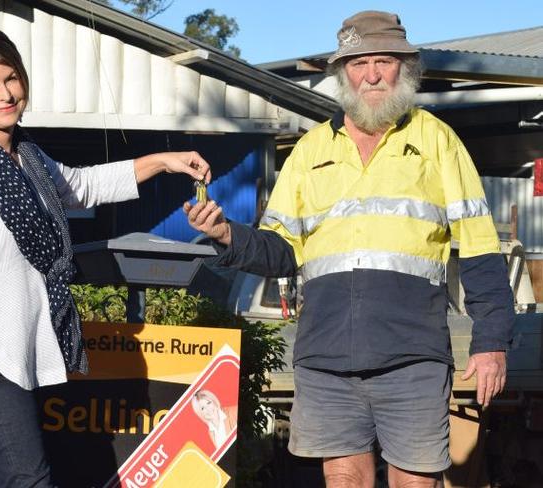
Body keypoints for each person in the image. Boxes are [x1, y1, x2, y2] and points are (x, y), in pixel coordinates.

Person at [184, 10, 514, 488]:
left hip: (413, 355)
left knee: (415, 482)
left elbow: (481, 251)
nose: (372, 75)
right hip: (326, 356)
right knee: (344, 480)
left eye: (384, 61)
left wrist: (491, 343)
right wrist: (226, 235)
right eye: (359, 64)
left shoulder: (438, 141)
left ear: (406, 69)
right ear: (343, 74)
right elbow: (281, 252)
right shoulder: (310, 151)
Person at [0, 27, 211, 487]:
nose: (5, 94)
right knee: (30, 478)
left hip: (27, 345)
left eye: (12, 79)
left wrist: (164, 160)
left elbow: (83, 186)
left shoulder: (29, 157)